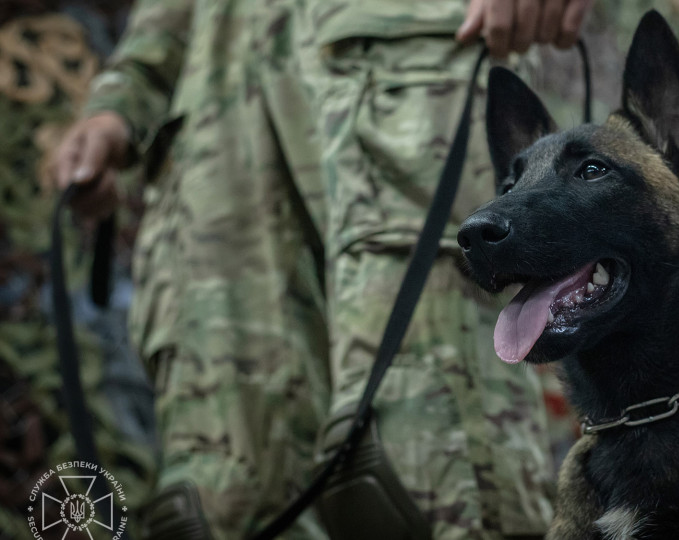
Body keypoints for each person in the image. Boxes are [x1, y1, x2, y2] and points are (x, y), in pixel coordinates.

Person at [53, 0, 593, 538]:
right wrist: (122, 99)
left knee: (424, 467)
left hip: (394, 51)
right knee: (229, 491)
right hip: (218, 113)